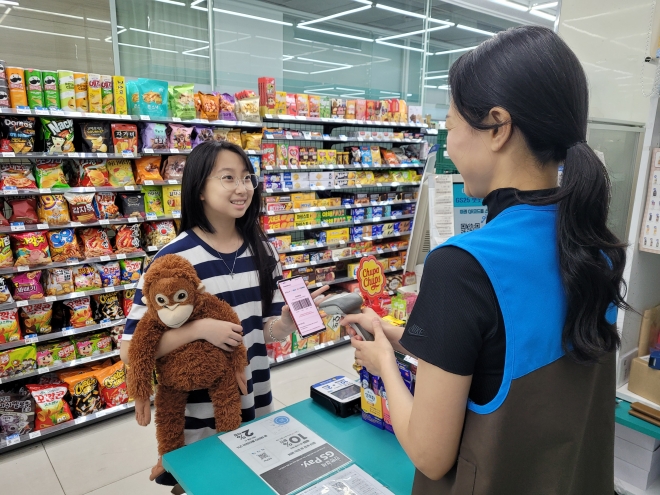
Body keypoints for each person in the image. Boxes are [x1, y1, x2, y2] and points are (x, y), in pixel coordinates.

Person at [342, 26, 629, 495]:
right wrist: (404, 340)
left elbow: (431, 457)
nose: (449, 145)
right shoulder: (595, 247)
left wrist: (383, 363)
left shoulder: (462, 266)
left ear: (497, 127)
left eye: (451, 126)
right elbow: (503, 360)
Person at [120, 141, 327, 486]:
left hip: (256, 399)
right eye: (228, 178)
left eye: (247, 178)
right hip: (197, 413)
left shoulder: (264, 250)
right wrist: (199, 330)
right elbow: (131, 349)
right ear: (199, 188)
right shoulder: (175, 259)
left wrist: (285, 325)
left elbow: (267, 331)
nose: (242, 188)